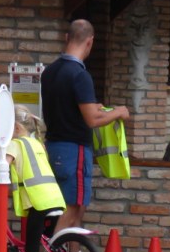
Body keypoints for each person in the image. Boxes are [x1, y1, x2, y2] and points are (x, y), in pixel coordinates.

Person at [41, 19, 130, 235]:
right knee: (72, 208)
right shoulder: (80, 75)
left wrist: (93, 107)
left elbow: (69, 106)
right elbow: (93, 120)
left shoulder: (50, 71)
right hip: (74, 150)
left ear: (67, 38)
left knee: (71, 206)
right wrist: (119, 112)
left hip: (53, 147)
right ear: (90, 42)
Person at [6, 106, 68, 252]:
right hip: (55, 198)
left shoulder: (15, 144)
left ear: (15, 127)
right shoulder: (38, 143)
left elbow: (2, 167)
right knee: (51, 246)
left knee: (31, 251)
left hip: (38, 202)